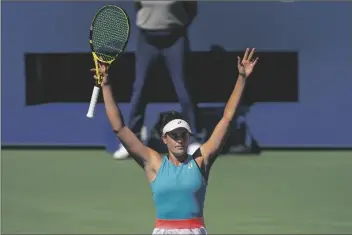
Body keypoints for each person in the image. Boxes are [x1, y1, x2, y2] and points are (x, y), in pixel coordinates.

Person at [92, 48, 259, 234]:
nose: (179, 140)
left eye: (183, 134)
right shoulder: (153, 162)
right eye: (174, 135)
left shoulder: (200, 160)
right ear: (165, 139)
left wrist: (242, 79)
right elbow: (120, 128)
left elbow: (227, 119)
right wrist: (106, 85)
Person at [113, 1, 200, 159]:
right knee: (140, 88)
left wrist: (177, 26)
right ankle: (131, 142)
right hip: (147, 40)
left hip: (175, 38)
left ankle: (194, 140)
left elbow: (192, 8)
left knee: (183, 90)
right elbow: (138, 6)